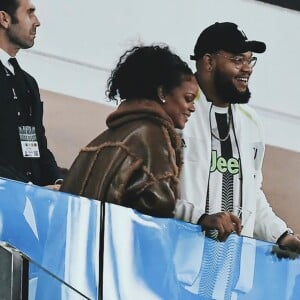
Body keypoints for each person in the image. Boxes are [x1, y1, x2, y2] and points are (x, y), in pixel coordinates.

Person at [175, 22, 300, 251]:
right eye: (237, 60)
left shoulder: (251, 123)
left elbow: (253, 194)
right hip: (175, 263)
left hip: (232, 272)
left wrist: (281, 235)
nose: (247, 68)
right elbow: (152, 194)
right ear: (209, 62)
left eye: (250, 60)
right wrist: (200, 218)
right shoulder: (178, 110)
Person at [61, 45, 198, 217]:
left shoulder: (102, 140)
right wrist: (200, 220)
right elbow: (158, 207)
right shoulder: (152, 136)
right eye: (188, 99)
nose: (193, 108)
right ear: (162, 92)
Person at [0, 0, 62, 188]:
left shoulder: (28, 83)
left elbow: (38, 145)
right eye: (30, 13)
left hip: (27, 207)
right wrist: (27, 188)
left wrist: (59, 183)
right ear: (4, 19)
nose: (37, 22)